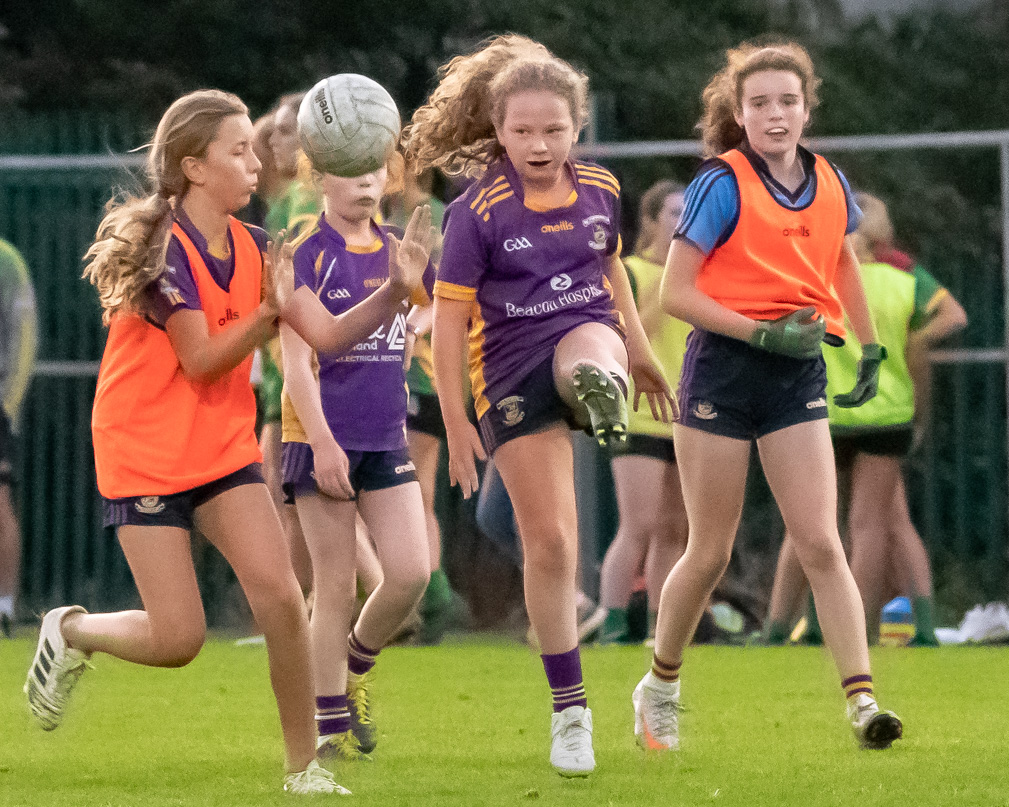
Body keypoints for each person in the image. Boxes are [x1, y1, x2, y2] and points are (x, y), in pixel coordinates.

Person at [23, 88, 430, 795]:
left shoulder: (262, 246)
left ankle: (303, 768)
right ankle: (75, 631)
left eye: (255, 147)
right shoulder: (162, 250)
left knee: (278, 597)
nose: (257, 160)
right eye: (238, 151)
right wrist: (269, 312)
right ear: (193, 168)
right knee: (179, 639)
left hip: (221, 450)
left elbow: (327, 335)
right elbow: (201, 358)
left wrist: (396, 291)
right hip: (141, 448)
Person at [403, 34, 674, 777]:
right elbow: (451, 322)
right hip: (507, 369)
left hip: (580, 330)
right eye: (522, 130)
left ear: (576, 126)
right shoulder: (475, 213)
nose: (538, 142)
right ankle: (570, 712)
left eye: (553, 128)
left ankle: (602, 388)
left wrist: (641, 351)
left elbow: (610, 271)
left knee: (587, 341)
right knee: (551, 544)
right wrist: (457, 420)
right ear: (497, 130)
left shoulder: (599, 189)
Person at [635, 41, 903, 754]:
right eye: (759, 103)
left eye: (787, 100)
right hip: (724, 369)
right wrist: (759, 335)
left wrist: (870, 344)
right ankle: (659, 683)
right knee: (709, 552)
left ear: (806, 108)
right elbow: (677, 292)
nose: (774, 113)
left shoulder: (828, 181)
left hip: (796, 371)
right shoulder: (720, 183)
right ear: (739, 112)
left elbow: (842, 259)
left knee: (819, 538)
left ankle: (862, 701)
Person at [280, 147, 435, 762]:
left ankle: (357, 661)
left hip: (385, 435)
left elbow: (426, 308)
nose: (366, 181)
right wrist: (320, 441)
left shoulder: (401, 246)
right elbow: (295, 362)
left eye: (375, 170)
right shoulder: (303, 253)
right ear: (319, 177)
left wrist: (419, 322)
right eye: (349, 170)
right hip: (319, 439)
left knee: (410, 574)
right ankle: (329, 723)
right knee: (335, 586)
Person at [765, 192, 967, 646]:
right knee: (871, 526)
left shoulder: (816, 278)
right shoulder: (901, 282)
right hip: (887, 413)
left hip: (824, 412)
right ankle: (859, 629)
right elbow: (948, 319)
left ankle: (778, 628)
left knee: (808, 523)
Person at [597, 181, 692, 645]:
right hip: (637, 411)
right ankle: (612, 621)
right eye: (673, 213)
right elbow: (631, 334)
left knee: (676, 529)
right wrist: (670, 279)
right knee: (639, 524)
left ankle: (661, 625)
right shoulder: (629, 272)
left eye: (688, 213)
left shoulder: (699, 272)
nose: (682, 222)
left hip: (686, 412)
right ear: (653, 220)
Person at [0, 238, 37, 637]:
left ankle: (5, 608)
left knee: (0, 502)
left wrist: (8, 404)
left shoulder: (7, 260)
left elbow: (25, 336)